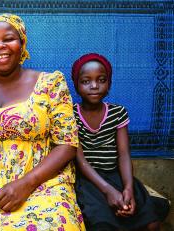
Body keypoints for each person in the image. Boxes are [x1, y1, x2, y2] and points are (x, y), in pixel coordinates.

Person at [0, 14, 85, 230]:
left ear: (22, 43)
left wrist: (26, 183)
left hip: (42, 181)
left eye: (8, 39)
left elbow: (67, 144)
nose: (0, 46)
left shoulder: (50, 84)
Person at [71, 53, 170, 231]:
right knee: (102, 224)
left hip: (116, 175)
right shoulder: (71, 115)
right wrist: (108, 191)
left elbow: (124, 155)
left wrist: (128, 188)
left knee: (151, 223)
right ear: (76, 86)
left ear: (109, 84)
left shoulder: (118, 113)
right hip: (89, 181)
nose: (94, 86)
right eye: (86, 81)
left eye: (101, 80)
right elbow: (81, 161)